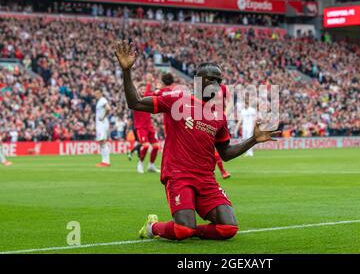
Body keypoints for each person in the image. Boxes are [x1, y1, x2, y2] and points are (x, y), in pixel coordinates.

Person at [114, 40, 280, 241]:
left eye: (219, 80)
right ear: (198, 81)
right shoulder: (177, 99)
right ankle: (152, 227)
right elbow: (136, 102)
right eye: (212, 79)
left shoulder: (218, 116)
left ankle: (193, 230)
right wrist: (126, 71)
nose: (217, 85)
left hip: (206, 178)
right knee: (183, 230)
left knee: (228, 228)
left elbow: (225, 153)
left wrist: (253, 140)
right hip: (179, 175)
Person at [133, 83, 160, 174]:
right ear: (138, 90)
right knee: (145, 146)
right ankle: (140, 163)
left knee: (156, 147)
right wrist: (148, 83)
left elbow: (155, 94)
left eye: (144, 90)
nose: (143, 91)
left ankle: (151, 165)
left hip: (149, 126)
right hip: (140, 127)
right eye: (141, 89)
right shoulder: (135, 98)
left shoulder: (147, 98)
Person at [94, 89, 111, 167]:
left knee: (103, 141)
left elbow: (108, 108)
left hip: (102, 123)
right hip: (100, 124)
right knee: (102, 142)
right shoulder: (99, 101)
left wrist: (103, 117)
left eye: (97, 93)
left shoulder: (102, 100)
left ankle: (106, 162)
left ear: (101, 93)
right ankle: (104, 161)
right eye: (95, 93)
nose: (96, 95)